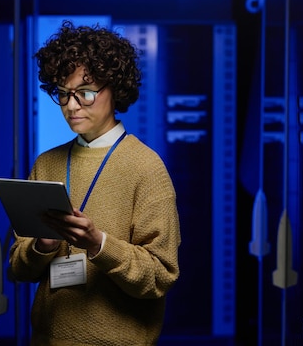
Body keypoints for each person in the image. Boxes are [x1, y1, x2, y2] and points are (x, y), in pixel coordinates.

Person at [9, 21, 181, 345]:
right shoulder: (46, 163)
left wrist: (98, 244)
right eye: (63, 94)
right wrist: (41, 246)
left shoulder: (147, 168)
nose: (72, 106)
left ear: (115, 89)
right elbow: (18, 269)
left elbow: (160, 276)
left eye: (85, 93)